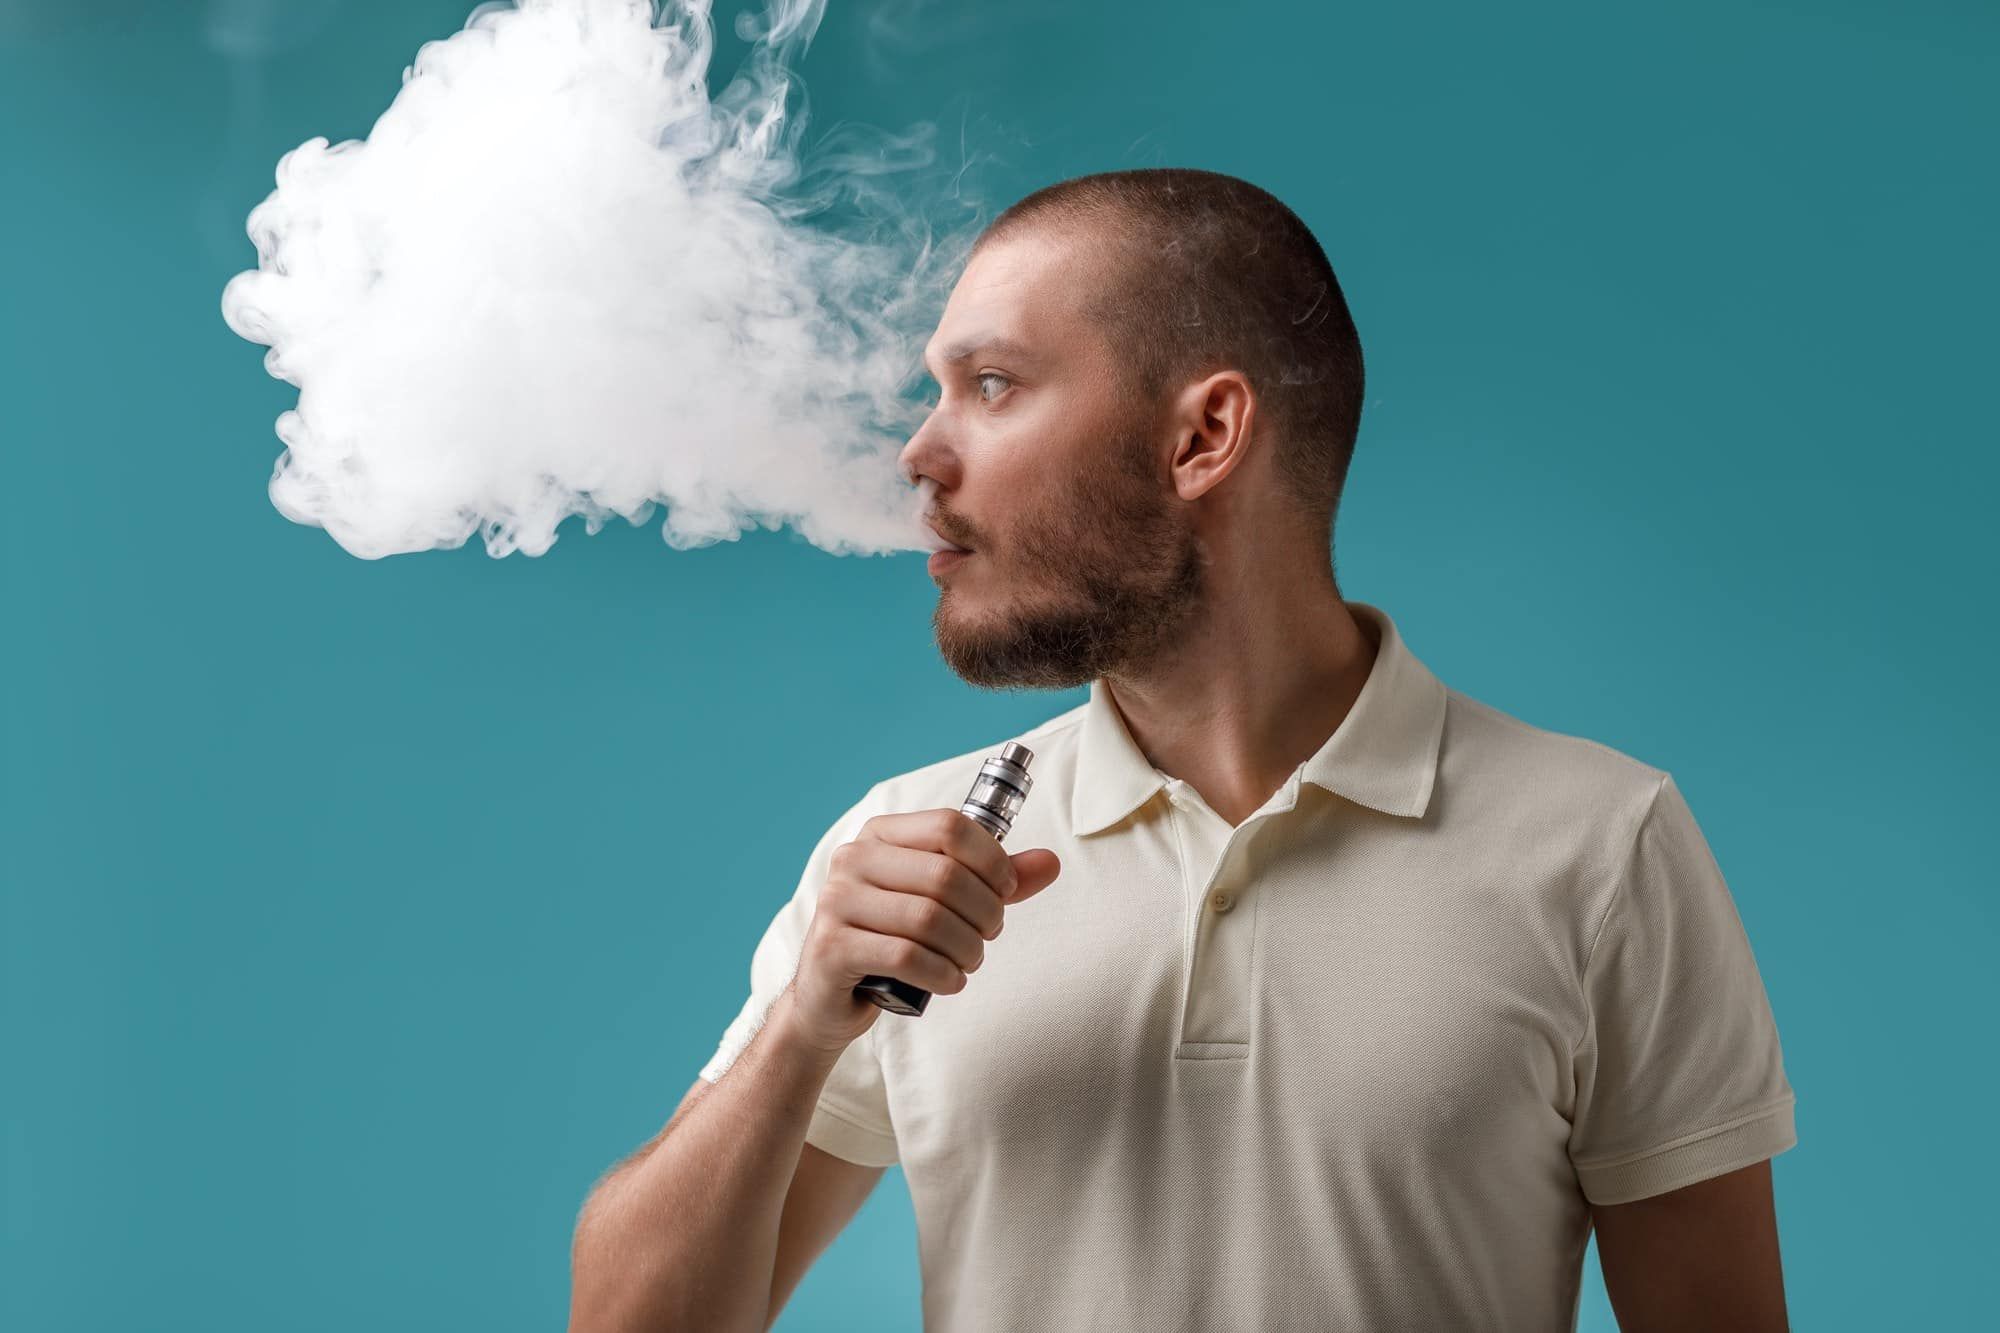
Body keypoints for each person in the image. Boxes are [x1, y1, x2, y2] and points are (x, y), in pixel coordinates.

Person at [567, 168, 1798, 1332]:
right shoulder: (897, 854)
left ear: (1202, 435)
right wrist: (799, 1029)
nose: (919, 453)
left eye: (990, 384)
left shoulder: (1597, 844)